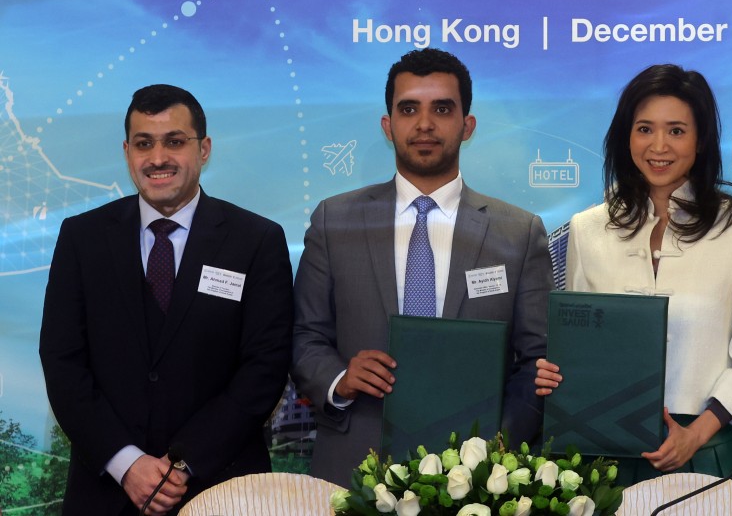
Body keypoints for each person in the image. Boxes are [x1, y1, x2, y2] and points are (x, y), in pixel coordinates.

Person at [291, 48, 553, 485]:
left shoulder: (519, 232)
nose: (425, 124)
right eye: (409, 108)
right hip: (354, 464)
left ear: (467, 126)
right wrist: (340, 377)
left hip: (479, 476)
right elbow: (305, 335)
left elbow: (537, 359)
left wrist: (491, 450)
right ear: (387, 124)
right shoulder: (334, 220)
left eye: (442, 109)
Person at [39, 85, 294, 516]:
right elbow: (62, 361)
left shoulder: (257, 241)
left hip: (223, 489)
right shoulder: (82, 238)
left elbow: (265, 367)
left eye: (174, 141)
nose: (158, 158)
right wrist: (127, 463)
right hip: (105, 493)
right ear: (127, 152)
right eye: (144, 144)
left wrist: (182, 464)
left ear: (205, 148)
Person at [535, 64, 732, 490]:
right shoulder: (586, 229)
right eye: (644, 129)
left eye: (677, 131)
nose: (659, 145)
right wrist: (555, 373)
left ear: (700, 140)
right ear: (625, 136)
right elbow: (577, 346)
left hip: (705, 451)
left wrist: (696, 434)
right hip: (604, 451)